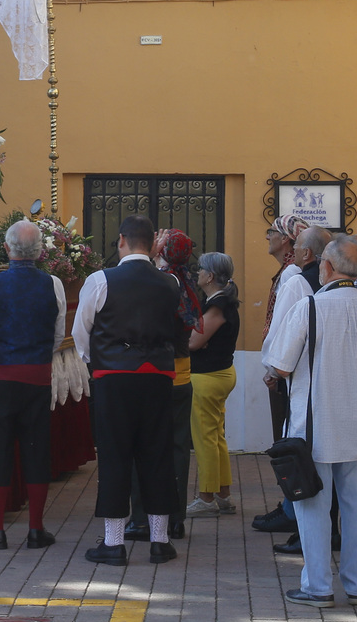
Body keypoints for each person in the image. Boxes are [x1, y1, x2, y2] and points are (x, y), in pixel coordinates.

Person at [74, 215, 184, 567]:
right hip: (158, 377)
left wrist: (97, 362)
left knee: (115, 454)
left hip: (113, 376)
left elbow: (82, 331)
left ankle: (114, 542)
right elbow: (175, 327)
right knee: (157, 454)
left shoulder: (100, 280)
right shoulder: (169, 283)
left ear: (121, 240)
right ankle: (160, 541)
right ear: (152, 243)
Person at [267, 235, 357, 608]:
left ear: (327, 267)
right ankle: (355, 585)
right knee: (355, 508)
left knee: (312, 508)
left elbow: (282, 365)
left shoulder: (310, 307)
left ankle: (318, 586)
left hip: (315, 426)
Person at [0, 220, 65, 550]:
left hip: (1, 375)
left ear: (7, 249)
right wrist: (37, 356)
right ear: (40, 251)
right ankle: (36, 529)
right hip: (38, 374)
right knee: (37, 449)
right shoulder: (54, 284)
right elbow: (57, 334)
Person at [125, 229, 198, 542]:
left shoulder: (159, 282)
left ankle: (142, 518)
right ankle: (175, 518)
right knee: (178, 449)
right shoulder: (189, 282)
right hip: (182, 374)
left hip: (156, 374)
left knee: (146, 447)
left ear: (163, 250)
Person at [253, 219, 321, 536]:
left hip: (287, 370)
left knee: (288, 444)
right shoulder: (294, 275)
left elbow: (281, 327)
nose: (267, 237)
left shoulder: (293, 278)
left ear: (288, 242)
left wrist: (272, 368)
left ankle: (292, 508)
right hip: (296, 369)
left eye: (273, 232)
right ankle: (290, 507)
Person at [185, 252, 241, 520]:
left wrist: (191, 338)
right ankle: (223, 495)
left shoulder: (217, 304)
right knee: (216, 436)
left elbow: (193, 343)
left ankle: (206, 498)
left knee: (205, 438)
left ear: (209, 276)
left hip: (208, 377)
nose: (197, 274)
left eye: (200, 270)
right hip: (219, 374)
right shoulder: (220, 301)